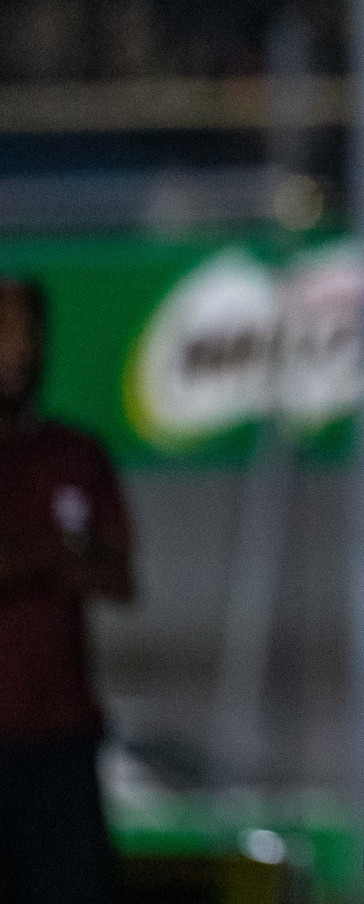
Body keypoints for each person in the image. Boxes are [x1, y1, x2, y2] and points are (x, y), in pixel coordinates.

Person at [0, 277, 134, 903]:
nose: (19, 352)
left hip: (60, 739)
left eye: (30, 335)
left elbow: (119, 574)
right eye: (6, 334)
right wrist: (52, 557)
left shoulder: (75, 454)